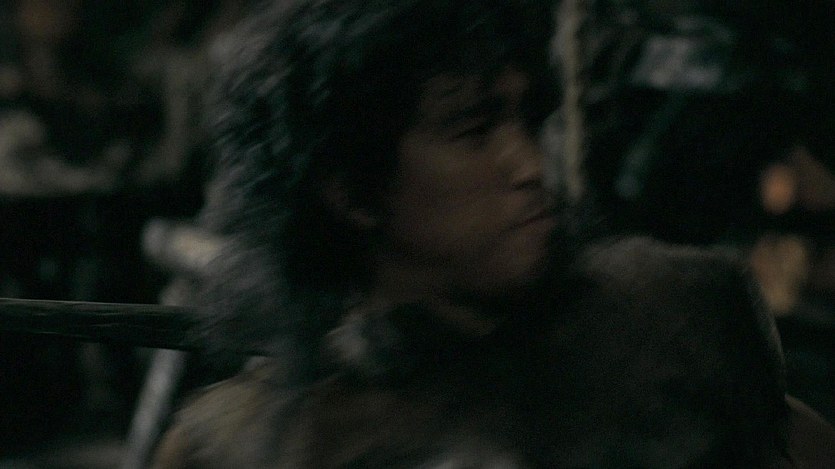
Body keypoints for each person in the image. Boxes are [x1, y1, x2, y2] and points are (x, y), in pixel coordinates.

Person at [153, 0, 835, 467]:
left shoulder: (675, 315)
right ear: (352, 190)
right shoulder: (248, 444)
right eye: (472, 129)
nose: (530, 165)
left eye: (523, 121)